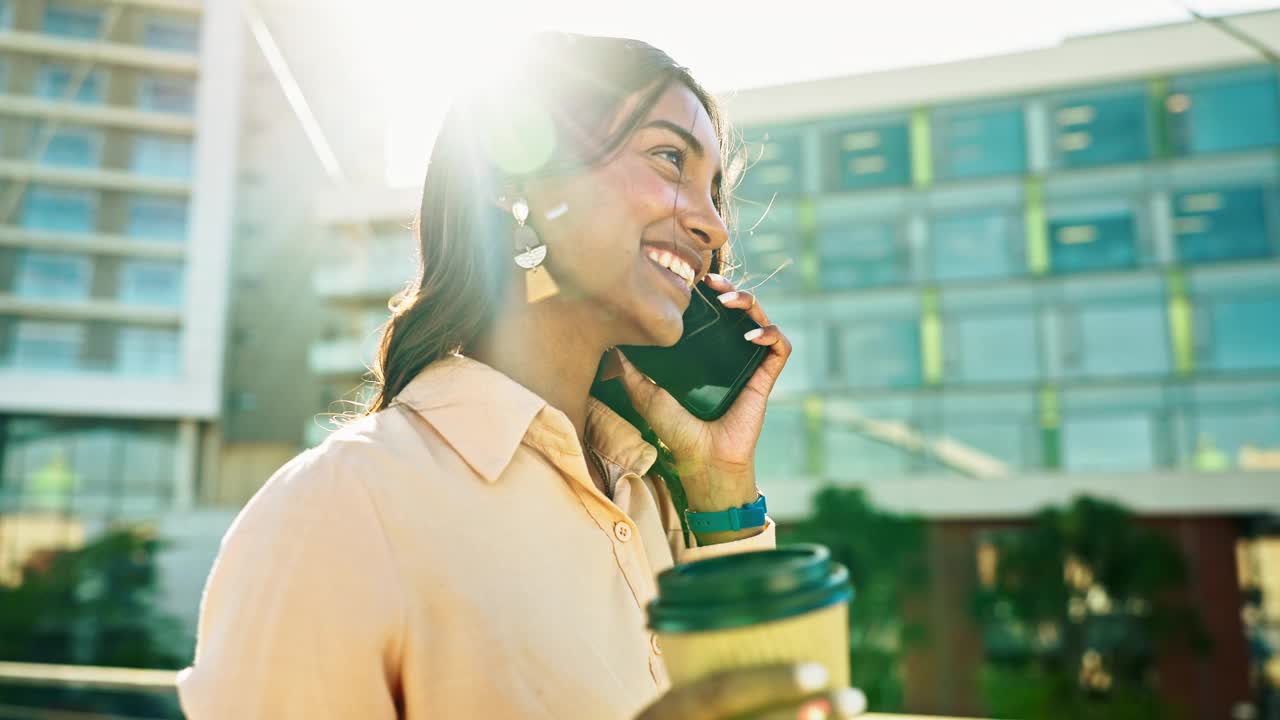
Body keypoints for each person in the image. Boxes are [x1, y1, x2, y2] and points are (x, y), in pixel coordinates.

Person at [177, 32, 864, 719]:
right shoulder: (339, 507)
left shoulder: (652, 502)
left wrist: (722, 489)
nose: (714, 225)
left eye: (716, 191)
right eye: (669, 157)